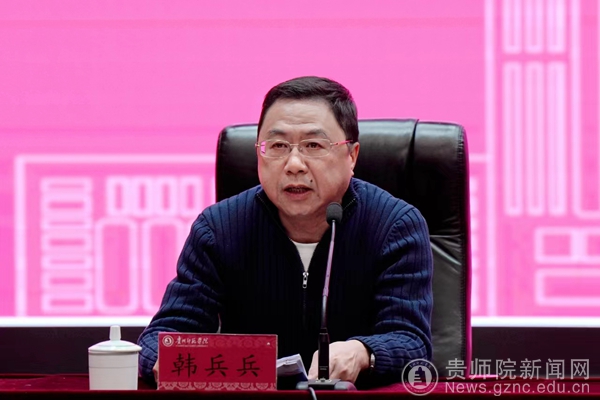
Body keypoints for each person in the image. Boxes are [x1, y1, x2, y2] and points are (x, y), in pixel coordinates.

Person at [137, 76, 433, 388]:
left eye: (313, 146)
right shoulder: (219, 228)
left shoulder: (394, 226)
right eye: (278, 146)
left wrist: (362, 352)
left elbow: (412, 342)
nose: (294, 164)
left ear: (352, 156)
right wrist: (163, 359)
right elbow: (162, 337)